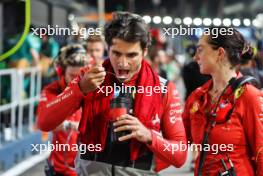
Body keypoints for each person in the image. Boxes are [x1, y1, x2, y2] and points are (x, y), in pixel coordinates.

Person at [37, 11, 187, 176]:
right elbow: (44, 123)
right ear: (107, 48)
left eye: (131, 55)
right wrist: (78, 89)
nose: (123, 63)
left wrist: (150, 136)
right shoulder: (88, 79)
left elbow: (180, 155)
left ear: (144, 52)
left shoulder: (164, 89)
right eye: (116, 53)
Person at [182, 27, 263, 176]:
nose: (195, 57)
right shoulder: (197, 97)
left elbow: (262, 153)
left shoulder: (250, 97)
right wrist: (149, 135)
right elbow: (178, 142)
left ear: (220, 53)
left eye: (200, 50)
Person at [37, 44, 90, 176]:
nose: (76, 80)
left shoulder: (91, 87)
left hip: (85, 169)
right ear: (61, 72)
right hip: (59, 169)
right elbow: (44, 123)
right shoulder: (51, 90)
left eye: (79, 76)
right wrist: (71, 125)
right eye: (72, 76)